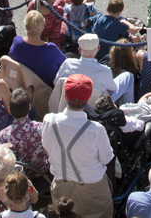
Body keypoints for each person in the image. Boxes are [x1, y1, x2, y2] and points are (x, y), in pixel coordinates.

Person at [41, 75, 114, 218]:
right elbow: (107, 159)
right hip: (92, 191)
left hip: (61, 186)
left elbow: (47, 148)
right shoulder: (96, 130)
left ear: (66, 96)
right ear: (87, 100)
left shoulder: (49, 121)